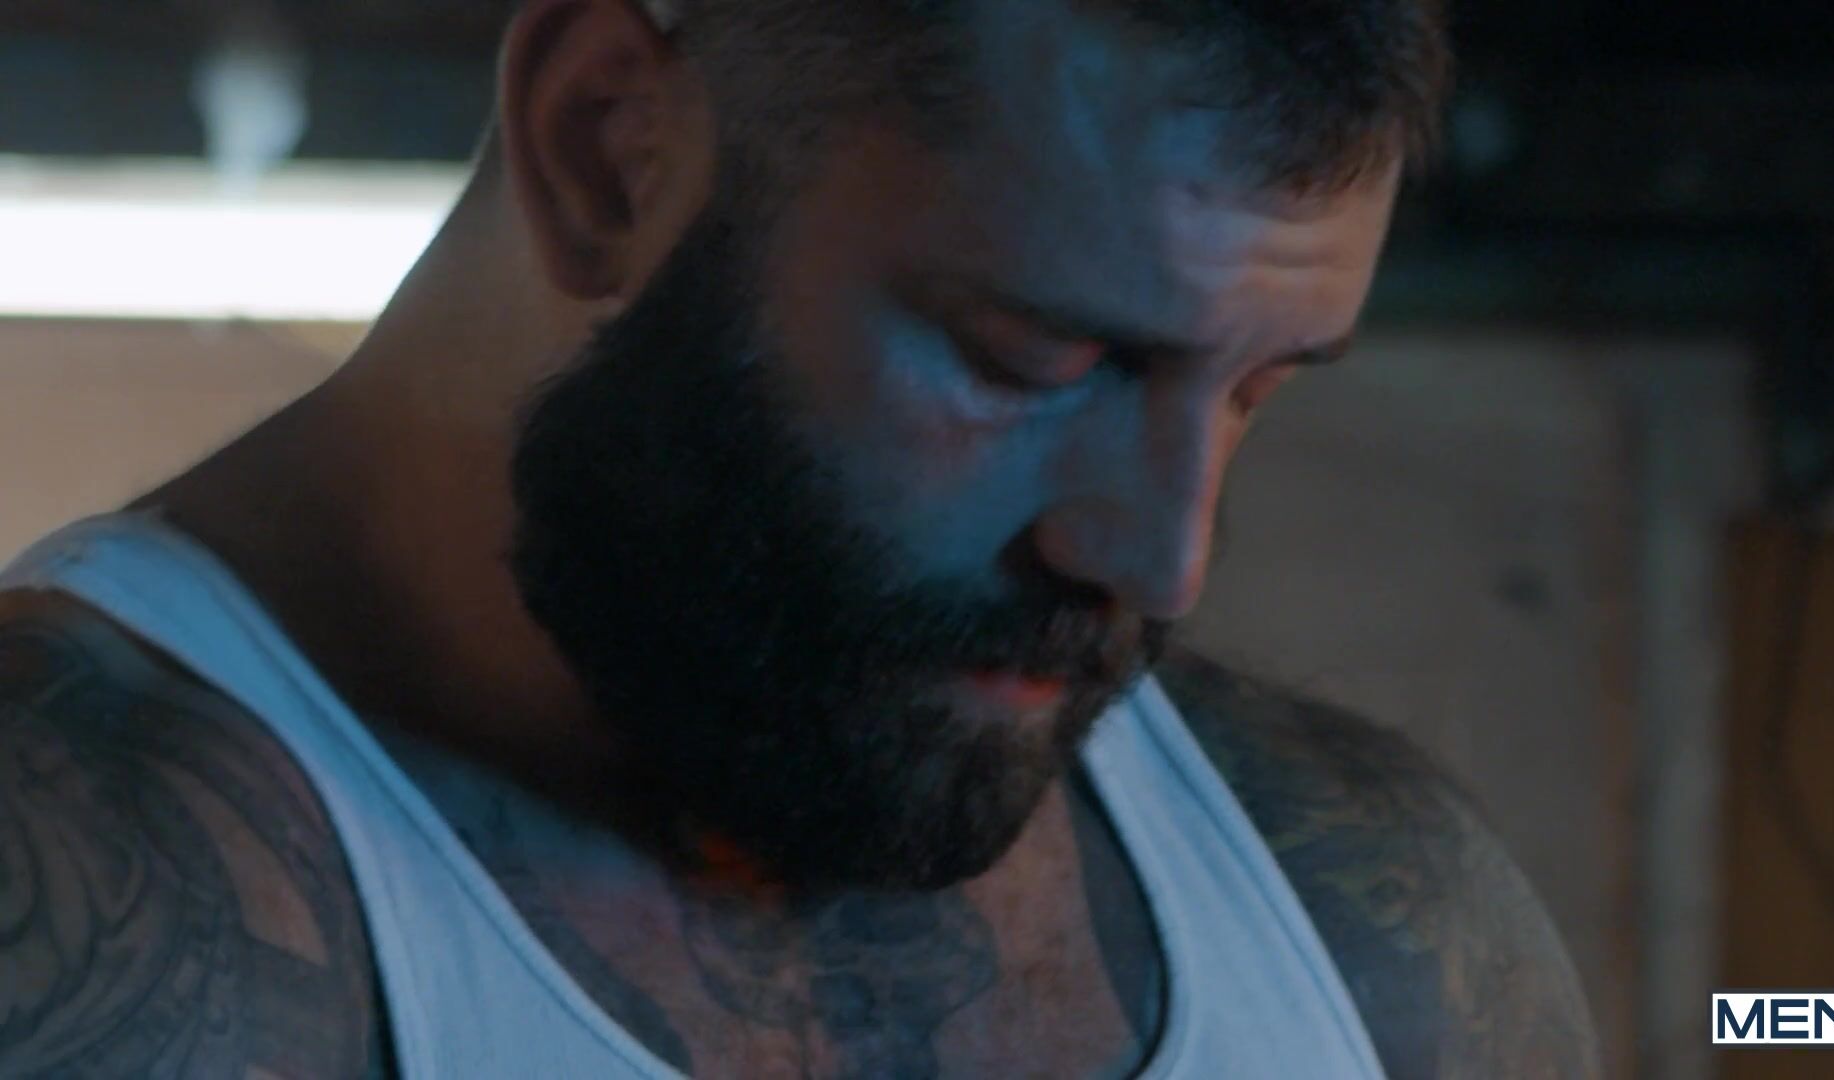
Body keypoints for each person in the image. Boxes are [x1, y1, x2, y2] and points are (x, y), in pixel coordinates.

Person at [0, 0, 1601, 1076]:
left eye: (1256, 389)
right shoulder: (83, 902)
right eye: (1030, 360)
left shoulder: (1380, 927)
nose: (1159, 558)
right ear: (607, 150)